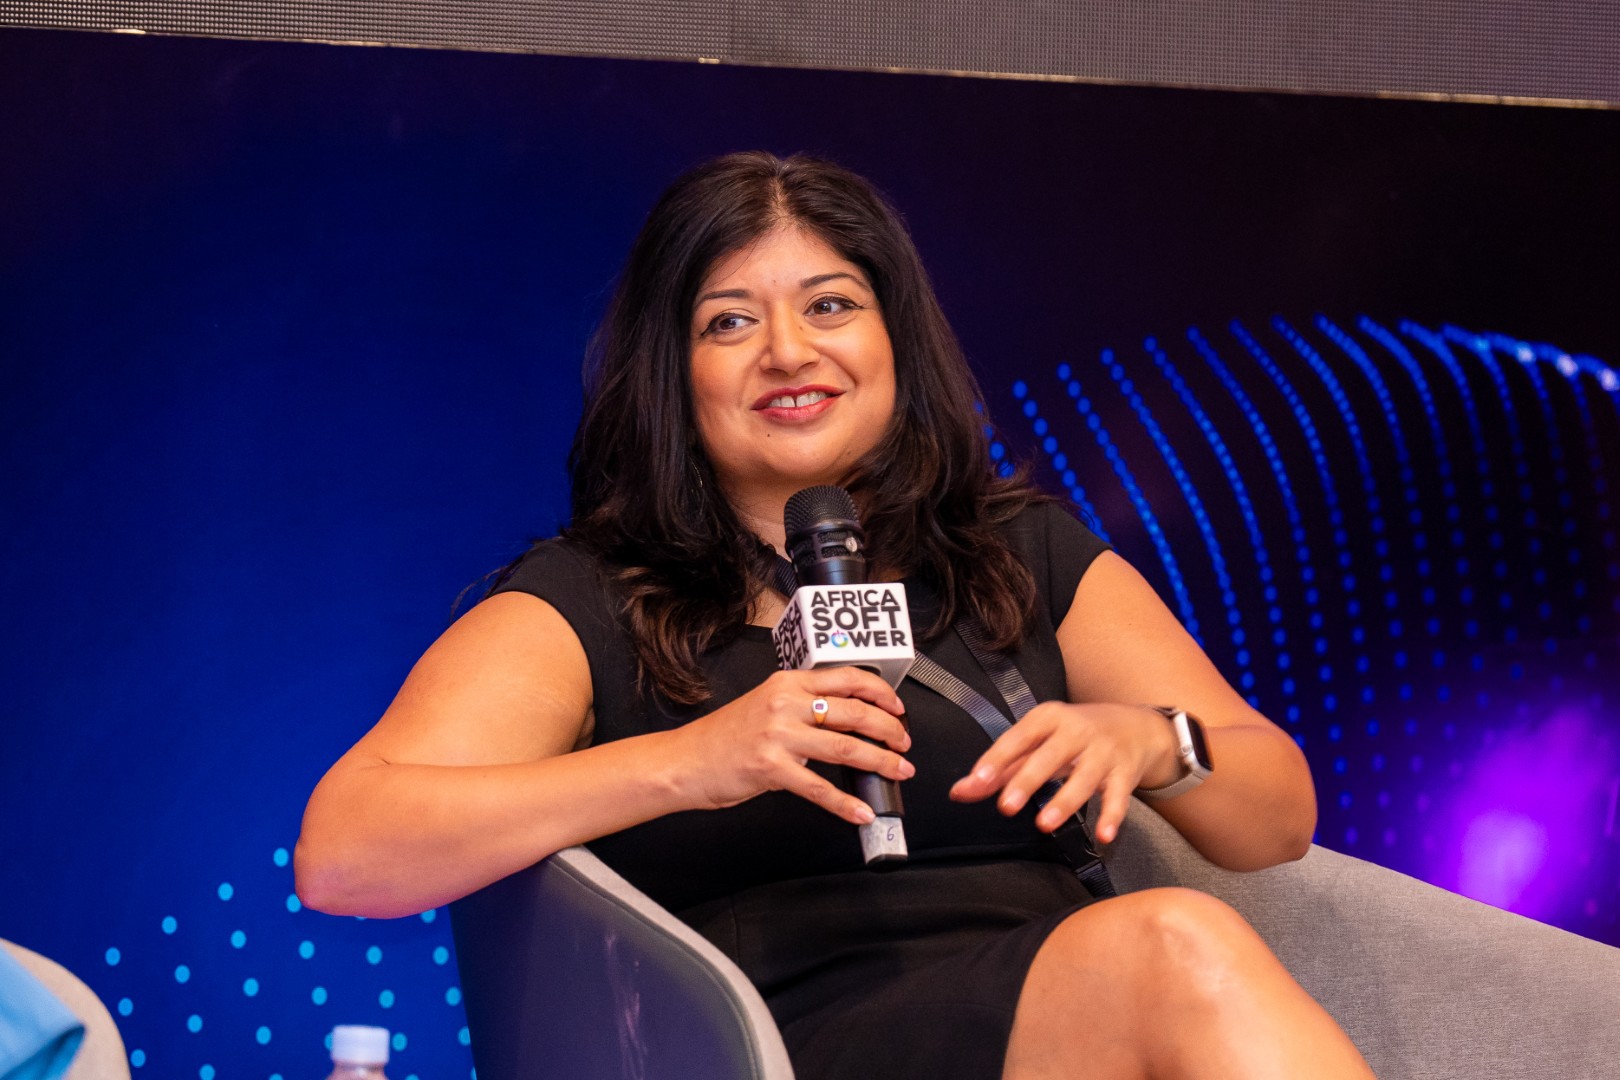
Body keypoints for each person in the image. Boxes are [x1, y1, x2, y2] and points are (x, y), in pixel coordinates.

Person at [295, 151, 1375, 1079]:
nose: (789, 352)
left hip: (1063, 1014)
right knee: (1176, 946)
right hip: (770, 1042)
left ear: (893, 339)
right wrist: (689, 761)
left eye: (831, 306)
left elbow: (1276, 820)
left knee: (1172, 950)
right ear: (674, 374)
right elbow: (346, 853)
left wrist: (1153, 740)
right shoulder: (594, 598)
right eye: (730, 321)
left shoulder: (1015, 554)